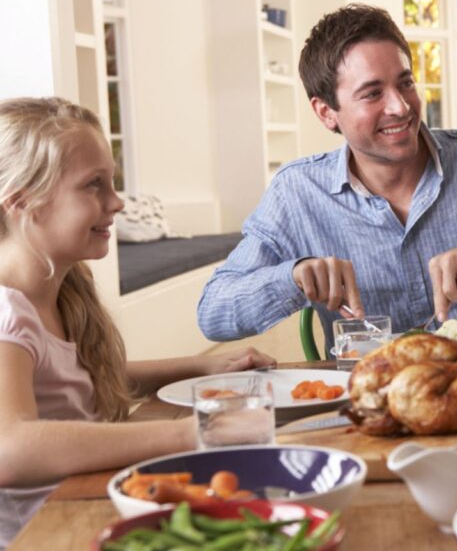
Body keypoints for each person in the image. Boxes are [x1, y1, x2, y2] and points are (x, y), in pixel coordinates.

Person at [197, 4, 457, 344]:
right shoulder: (297, 192)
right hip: (372, 403)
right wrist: (292, 278)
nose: (400, 106)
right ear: (326, 112)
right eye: (372, 94)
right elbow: (213, 313)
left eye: (406, 83)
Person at [0, 97, 277, 547]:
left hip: (91, 503)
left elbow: (75, 379)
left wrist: (202, 366)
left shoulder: (62, 290)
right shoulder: (7, 315)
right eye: (93, 185)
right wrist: (191, 432)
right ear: (23, 202)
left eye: (112, 182)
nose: (117, 202)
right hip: (48, 534)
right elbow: (9, 449)